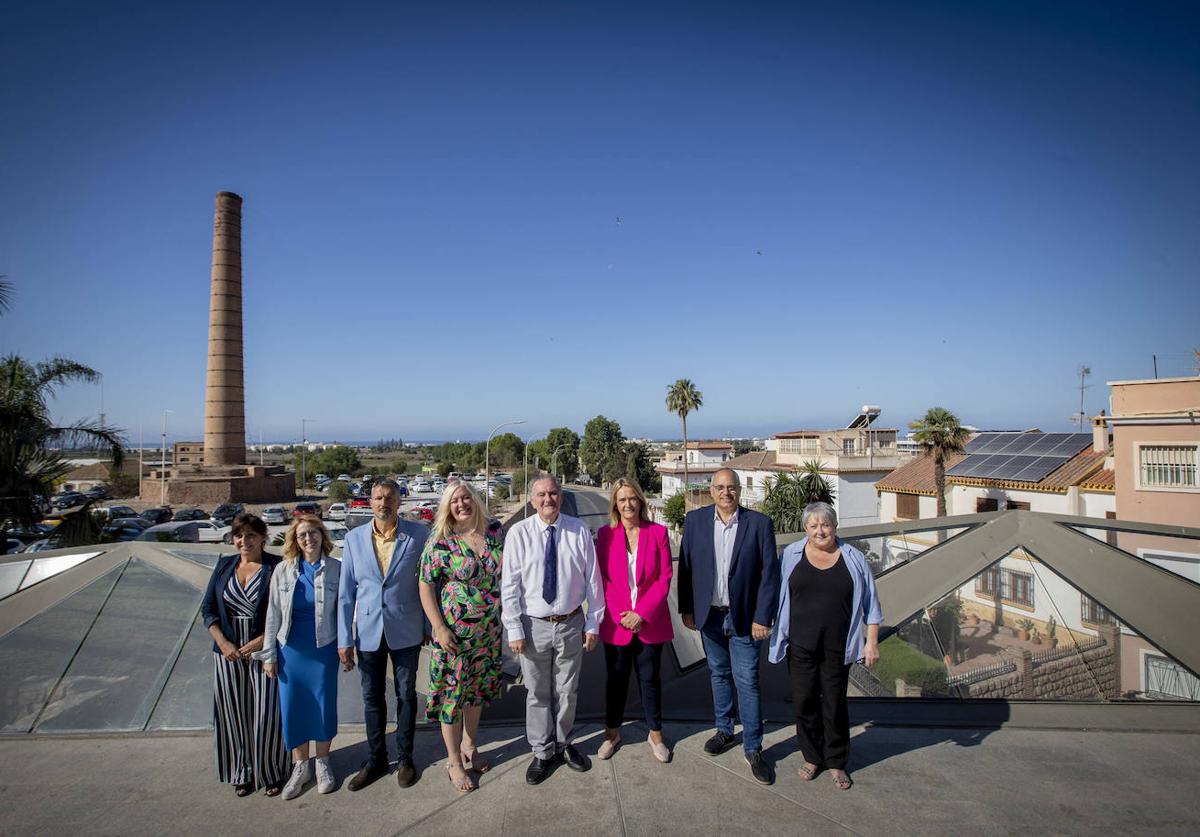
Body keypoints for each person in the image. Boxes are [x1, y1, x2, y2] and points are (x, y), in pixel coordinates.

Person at [769, 501, 881, 791]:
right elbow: (776, 593)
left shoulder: (853, 558)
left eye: (826, 524)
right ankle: (812, 756)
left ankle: (836, 761)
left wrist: (871, 642)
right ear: (805, 528)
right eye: (814, 525)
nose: (820, 531)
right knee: (804, 702)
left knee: (834, 704)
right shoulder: (791, 555)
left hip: (838, 646)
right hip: (800, 645)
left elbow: (871, 605)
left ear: (835, 526)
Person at [677, 468, 780, 785]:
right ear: (711, 491)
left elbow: (769, 575)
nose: (726, 493)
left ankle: (753, 747)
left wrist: (763, 616)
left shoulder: (759, 524)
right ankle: (724, 730)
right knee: (718, 674)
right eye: (720, 487)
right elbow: (686, 567)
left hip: (746, 619)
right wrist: (687, 608)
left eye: (731, 487)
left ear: (738, 490)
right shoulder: (695, 522)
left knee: (747, 680)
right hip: (709, 616)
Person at [501, 474, 604, 785]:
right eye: (542, 495)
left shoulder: (578, 530)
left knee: (567, 690)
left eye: (554, 494)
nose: (548, 499)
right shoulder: (518, 533)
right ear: (532, 500)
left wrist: (593, 622)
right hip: (533, 627)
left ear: (561, 497)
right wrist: (514, 628)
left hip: (571, 623)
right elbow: (510, 586)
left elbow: (592, 581)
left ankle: (563, 744)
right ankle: (542, 751)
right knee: (537, 693)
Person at [338, 478, 431, 791]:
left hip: (406, 628)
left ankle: (405, 757)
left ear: (399, 501)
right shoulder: (353, 539)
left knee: (406, 694)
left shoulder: (418, 534)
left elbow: (431, 582)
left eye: (389, 497)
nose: (383, 503)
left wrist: (430, 626)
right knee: (371, 697)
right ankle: (376, 758)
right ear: (370, 501)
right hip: (367, 632)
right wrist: (344, 639)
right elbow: (346, 593)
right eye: (378, 498)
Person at [418, 481, 504, 793]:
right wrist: (439, 628)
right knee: (452, 697)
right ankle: (453, 761)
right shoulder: (441, 542)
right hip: (454, 637)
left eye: (466, 497)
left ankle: (470, 746)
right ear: (447, 507)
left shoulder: (494, 534)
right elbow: (425, 586)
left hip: (488, 634)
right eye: (455, 500)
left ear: (476, 500)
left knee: (476, 693)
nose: (462, 504)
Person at [200, 512, 289, 797]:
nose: (243, 541)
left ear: (263, 537)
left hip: (264, 651)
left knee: (266, 713)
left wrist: (262, 640)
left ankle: (272, 770)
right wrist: (223, 643)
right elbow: (208, 609)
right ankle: (242, 770)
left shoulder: (277, 567)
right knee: (233, 713)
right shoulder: (224, 565)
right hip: (227, 653)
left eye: (250, 535)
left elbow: (286, 613)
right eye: (239, 535)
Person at [258, 515, 342, 800]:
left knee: (322, 705)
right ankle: (300, 766)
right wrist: (269, 655)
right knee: (293, 707)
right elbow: (273, 615)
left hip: (323, 648)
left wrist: (346, 646)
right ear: (295, 539)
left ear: (322, 536)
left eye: (313, 533)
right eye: (303, 534)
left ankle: (322, 763)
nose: (309, 539)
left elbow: (343, 613)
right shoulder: (283, 570)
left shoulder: (336, 569)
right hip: (290, 651)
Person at [595, 478, 674, 763]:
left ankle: (656, 735)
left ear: (640, 501)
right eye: (622, 499)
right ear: (615, 504)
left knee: (650, 680)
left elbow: (664, 578)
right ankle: (611, 734)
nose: (628, 504)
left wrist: (641, 613)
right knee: (615, 681)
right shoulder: (606, 535)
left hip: (649, 622)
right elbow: (601, 579)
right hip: (617, 623)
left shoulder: (658, 533)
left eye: (632, 498)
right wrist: (623, 615)